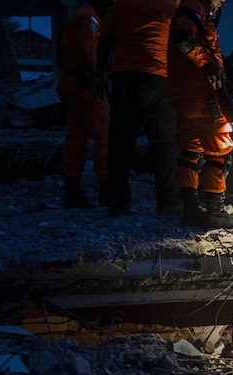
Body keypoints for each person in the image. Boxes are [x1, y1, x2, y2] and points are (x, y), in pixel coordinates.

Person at [97, 0, 183, 218]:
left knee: (120, 141)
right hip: (157, 75)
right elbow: (184, 39)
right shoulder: (173, 4)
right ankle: (168, 203)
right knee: (163, 142)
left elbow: (104, 39)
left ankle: (118, 204)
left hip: (123, 77)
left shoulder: (122, 4)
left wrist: (99, 75)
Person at [167, 0, 233, 229]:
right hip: (204, 96)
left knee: (190, 151)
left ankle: (190, 210)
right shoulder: (195, 8)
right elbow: (181, 37)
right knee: (219, 152)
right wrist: (208, 64)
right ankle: (215, 212)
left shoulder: (192, 9)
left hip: (186, 95)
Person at [57, 0, 113, 209]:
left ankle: (72, 190)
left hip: (71, 83)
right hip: (84, 84)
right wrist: (99, 73)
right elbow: (87, 49)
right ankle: (106, 189)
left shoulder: (81, 15)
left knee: (77, 136)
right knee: (104, 134)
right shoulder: (89, 18)